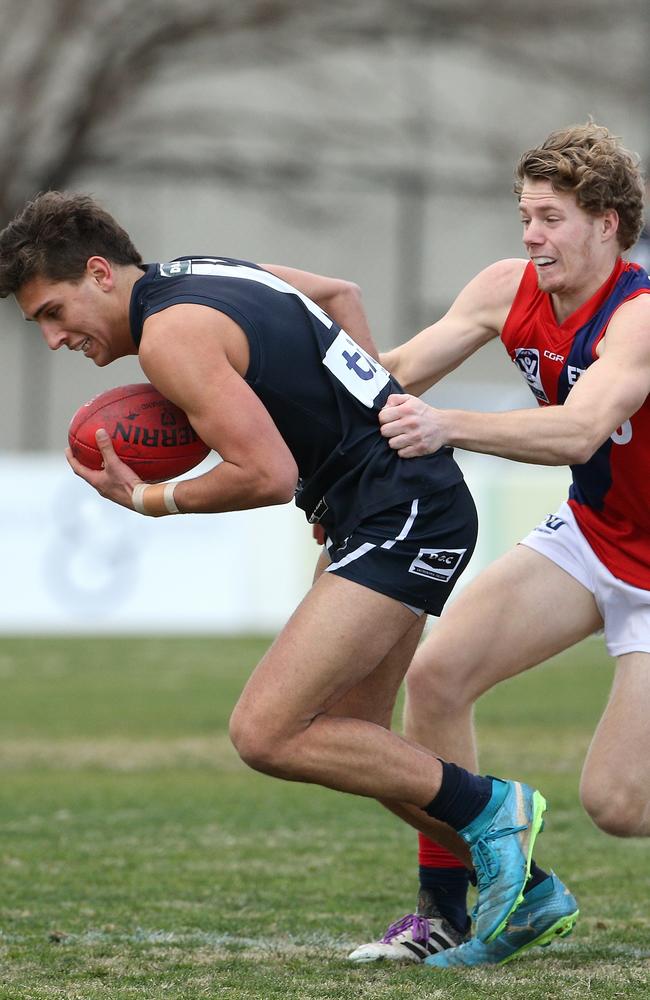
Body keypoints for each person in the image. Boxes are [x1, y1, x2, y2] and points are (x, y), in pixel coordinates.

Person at [0, 192, 551, 949]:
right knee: (363, 746)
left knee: (266, 731)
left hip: (401, 510)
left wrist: (153, 498)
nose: (55, 336)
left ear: (99, 273)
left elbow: (263, 473)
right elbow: (338, 296)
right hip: (388, 501)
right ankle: (490, 903)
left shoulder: (169, 334)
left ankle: (495, 809)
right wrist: (365, 426)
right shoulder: (200, 270)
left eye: (53, 312)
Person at [347, 122, 650, 968]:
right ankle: (447, 909)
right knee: (437, 677)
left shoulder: (641, 316)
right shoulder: (505, 287)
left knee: (620, 804)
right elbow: (395, 367)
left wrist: (447, 427)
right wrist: (271, 384)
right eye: (525, 215)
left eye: (550, 218)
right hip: (594, 537)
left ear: (607, 225)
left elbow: (583, 430)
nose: (530, 236)